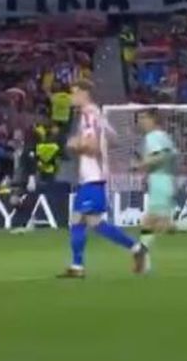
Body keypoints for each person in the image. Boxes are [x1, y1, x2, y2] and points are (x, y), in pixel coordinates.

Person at [59, 79, 148, 278]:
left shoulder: (90, 114)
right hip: (92, 178)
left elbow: (92, 147)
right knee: (88, 221)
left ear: (84, 94)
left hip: (94, 177)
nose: (71, 97)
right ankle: (134, 249)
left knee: (84, 221)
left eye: (74, 93)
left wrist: (74, 145)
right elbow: (113, 138)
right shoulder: (97, 114)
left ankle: (79, 266)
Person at [136, 109, 178, 259]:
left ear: (153, 119)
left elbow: (159, 156)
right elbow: (170, 155)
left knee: (156, 222)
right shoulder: (165, 136)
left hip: (160, 181)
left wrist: (140, 165)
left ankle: (141, 252)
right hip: (166, 180)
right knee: (154, 221)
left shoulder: (152, 137)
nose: (140, 121)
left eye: (143, 117)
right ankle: (142, 251)